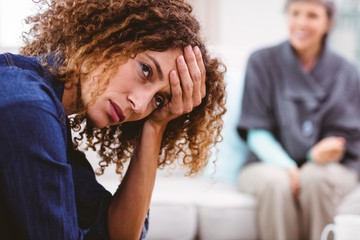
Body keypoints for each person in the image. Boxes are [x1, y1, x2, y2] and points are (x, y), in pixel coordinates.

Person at [0, 0, 227, 239]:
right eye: (146, 70)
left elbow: (114, 233)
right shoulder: (27, 105)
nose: (139, 105)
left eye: (159, 100)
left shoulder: (50, 112)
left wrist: (155, 125)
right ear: (110, 39)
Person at [236, 0, 360, 240]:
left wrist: (316, 158)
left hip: (331, 166)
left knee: (316, 178)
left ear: (328, 22)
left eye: (312, 15)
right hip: (267, 163)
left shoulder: (346, 71)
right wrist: (288, 167)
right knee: (276, 183)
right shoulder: (261, 61)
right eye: (295, 13)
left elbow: (346, 136)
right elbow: (256, 131)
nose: (301, 23)